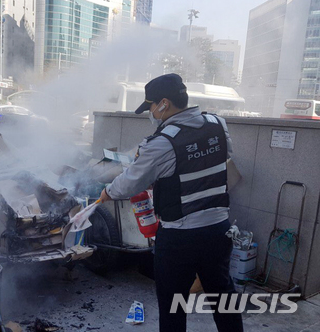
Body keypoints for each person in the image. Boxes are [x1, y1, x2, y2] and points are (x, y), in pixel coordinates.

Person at [99, 73, 243, 332]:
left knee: (173, 306)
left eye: (151, 105)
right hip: (218, 230)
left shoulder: (162, 142)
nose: (151, 112)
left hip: (180, 238)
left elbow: (130, 183)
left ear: (164, 103)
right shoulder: (217, 124)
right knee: (223, 298)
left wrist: (107, 192)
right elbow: (224, 155)